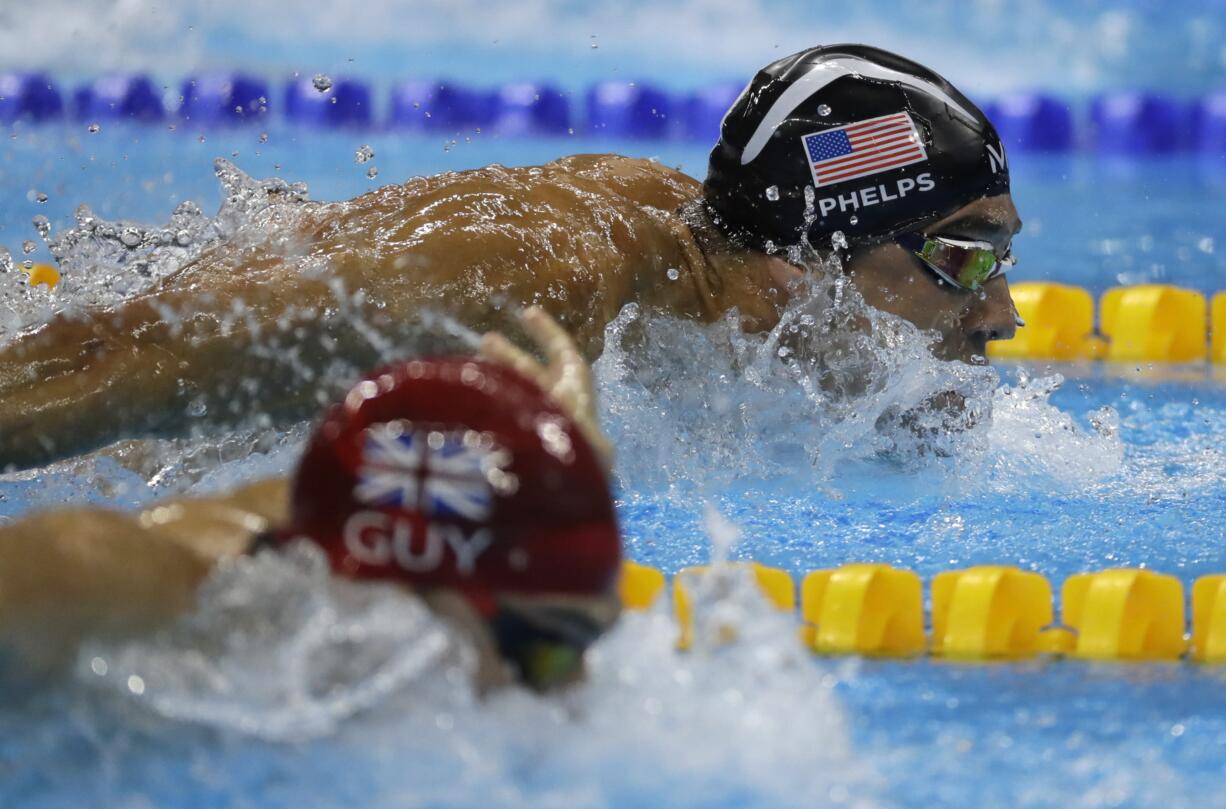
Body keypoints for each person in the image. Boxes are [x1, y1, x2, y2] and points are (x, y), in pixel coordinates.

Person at [0, 44, 1021, 470]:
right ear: (800, 266)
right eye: (963, 262)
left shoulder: (689, 266)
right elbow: (106, 374)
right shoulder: (534, 281)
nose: (1000, 315)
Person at [0, 308, 621, 693]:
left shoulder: (358, 545)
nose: (577, 692)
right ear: (405, 584)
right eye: (546, 656)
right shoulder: (126, 592)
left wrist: (559, 462)